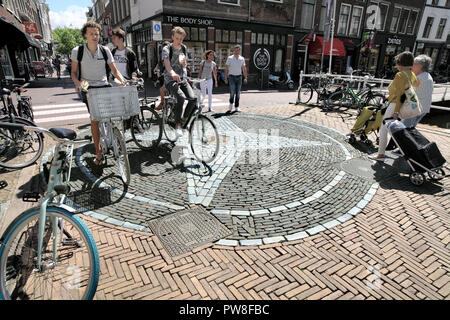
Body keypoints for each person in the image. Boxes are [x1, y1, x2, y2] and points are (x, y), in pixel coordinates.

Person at [70, 21, 126, 166]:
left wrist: (122, 81)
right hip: (87, 86)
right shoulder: (78, 51)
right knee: (95, 119)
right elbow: (74, 73)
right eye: (91, 34)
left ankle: (114, 135)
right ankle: (98, 152)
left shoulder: (105, 50)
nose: (95, 36)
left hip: (103, 84)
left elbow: (114, 70)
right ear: (85, 35)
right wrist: (78, 84)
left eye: (96, 33)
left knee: (112, 114)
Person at [371, 51, 419, 161]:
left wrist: (395, 111)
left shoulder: (400, 75)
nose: (396, 65)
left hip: (395, 106)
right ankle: (406, 152)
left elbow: (399, 95)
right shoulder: (413, 76)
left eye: (397, 63)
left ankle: (380, 154)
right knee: (396, 130)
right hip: (403, 106)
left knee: (384, 129)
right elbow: (407, 93)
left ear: (400, 63)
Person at [162, 26, 196, 138]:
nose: (179, 41)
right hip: (170, 79)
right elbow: (167, 63)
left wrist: (184, 64)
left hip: (182, 78)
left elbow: (182, 61)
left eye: (181, 39)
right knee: (180, 97)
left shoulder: (184, 48)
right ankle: (177, 126)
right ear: (172, 37)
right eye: (177, 38)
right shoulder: (167, 49)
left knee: (193, 99)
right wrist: (172, 73)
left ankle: (183, 120)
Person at [402, 55, 434, 128]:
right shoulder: (427, 76)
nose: (411, 66)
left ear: (420, 66)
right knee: (410, 129)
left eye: (414, 63)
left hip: (415, 109)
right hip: (423, 108)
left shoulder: (419, 78)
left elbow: (406, 91)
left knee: (404, 130)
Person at [224, 45, 247, 112]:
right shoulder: (230, 58)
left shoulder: (242, 58)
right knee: (232, 92)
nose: (237, 51)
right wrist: (225, 78)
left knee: (238, 93)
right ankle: (230, 106)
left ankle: (236, 107)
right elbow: (226, 68)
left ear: (240, 51)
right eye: (236, 50)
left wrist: (245, 77)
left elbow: (244, 68)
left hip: (239, 77)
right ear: (234, 50)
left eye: (238, 50)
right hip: (231, 77)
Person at [154, 40, 170, 111]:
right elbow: (160, 63)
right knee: (164, 89)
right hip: (164, 75)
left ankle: (162, 103)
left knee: (162, 90)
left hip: (169, 76)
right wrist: (156, 68)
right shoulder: (162, 54)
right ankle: (166, 105)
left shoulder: (170, 54)